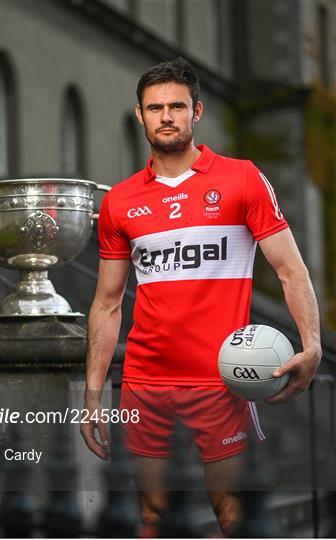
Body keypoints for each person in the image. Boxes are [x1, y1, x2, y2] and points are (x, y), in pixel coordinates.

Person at [80, 57, 321, 535]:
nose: (165, 116)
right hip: (145, 383)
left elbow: (290, 269)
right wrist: (92, 391)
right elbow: (107, 302)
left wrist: (312, 344)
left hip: (223, 381)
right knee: (149, 517)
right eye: (155, 108)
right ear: (139, 115)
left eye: (176, 106)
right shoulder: (120, 201)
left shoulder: (242, 179)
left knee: (233, 515)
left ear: (197, 112)